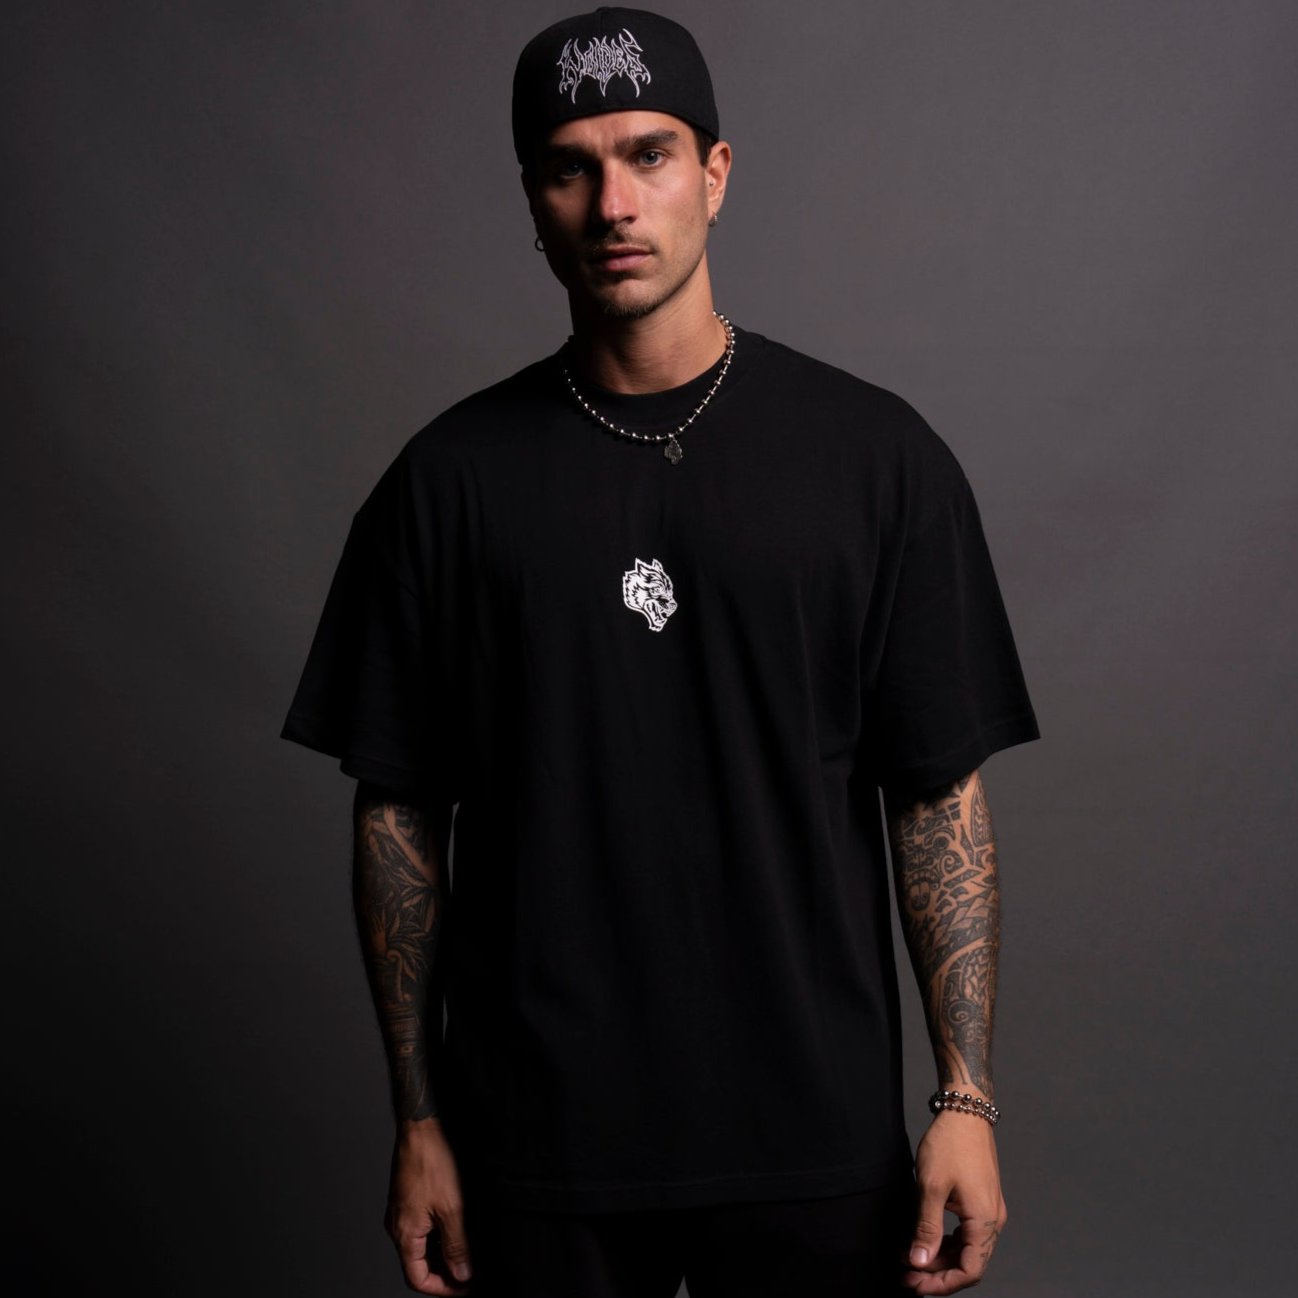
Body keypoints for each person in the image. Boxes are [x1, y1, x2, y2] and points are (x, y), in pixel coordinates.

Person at [280, 7, 1041, 1296]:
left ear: (716, 173)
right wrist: (418, 1116)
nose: (613, 204)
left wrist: (966, 1096)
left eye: (649, 154)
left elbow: (935, 795)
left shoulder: (877, 460)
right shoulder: (446, 484)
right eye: (569, 169)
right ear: (533, 202)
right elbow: (399, 812)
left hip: (812, 1136)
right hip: (536, 1150)